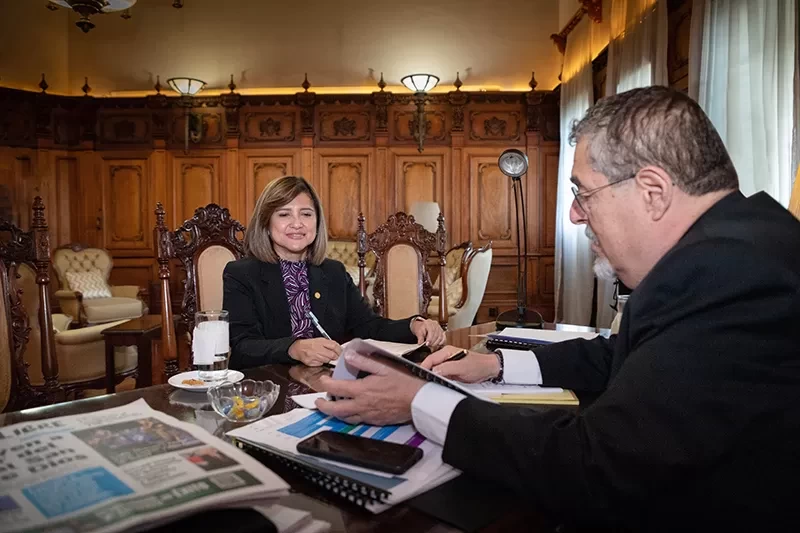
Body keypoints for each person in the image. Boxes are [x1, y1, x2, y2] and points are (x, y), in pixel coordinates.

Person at [314, 87, 800, 530]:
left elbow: (597, 466)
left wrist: (418, 401)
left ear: (653, 190)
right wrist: (497, 363)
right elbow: (620, 357)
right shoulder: (740, 246)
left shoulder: (728, 274)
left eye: (582, 192)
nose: (574, 213)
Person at [223, 176, 445, 370]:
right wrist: (293, 348)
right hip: (269, 387)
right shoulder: (241, 274)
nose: (297, 224)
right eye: (284, 214)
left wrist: (413, 324)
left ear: (317, 222)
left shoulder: (333, 271)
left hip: (328, 383)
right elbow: (243, 347)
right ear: (266, 222)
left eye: (306, 214)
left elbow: (369, 326)